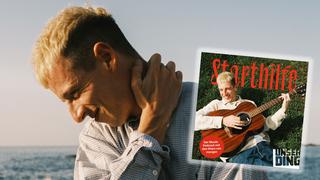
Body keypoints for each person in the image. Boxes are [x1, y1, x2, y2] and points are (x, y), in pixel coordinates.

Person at [32, 6, 267, 179]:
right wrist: (150, 131)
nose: (76, 116)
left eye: (75, 93)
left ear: (106, 57)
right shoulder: (95, 138)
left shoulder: (219, 109)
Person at [195, 71, 291, 166]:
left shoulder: (248, 104)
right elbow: (193, 120)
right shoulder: (216, 105)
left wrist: (283, 110)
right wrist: (223, 120)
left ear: (235, 87)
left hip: (262, 144)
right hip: (238, 155)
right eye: (221, 90)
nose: (224, 93)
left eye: (227, 89)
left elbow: (264, 125)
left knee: (288, 167)